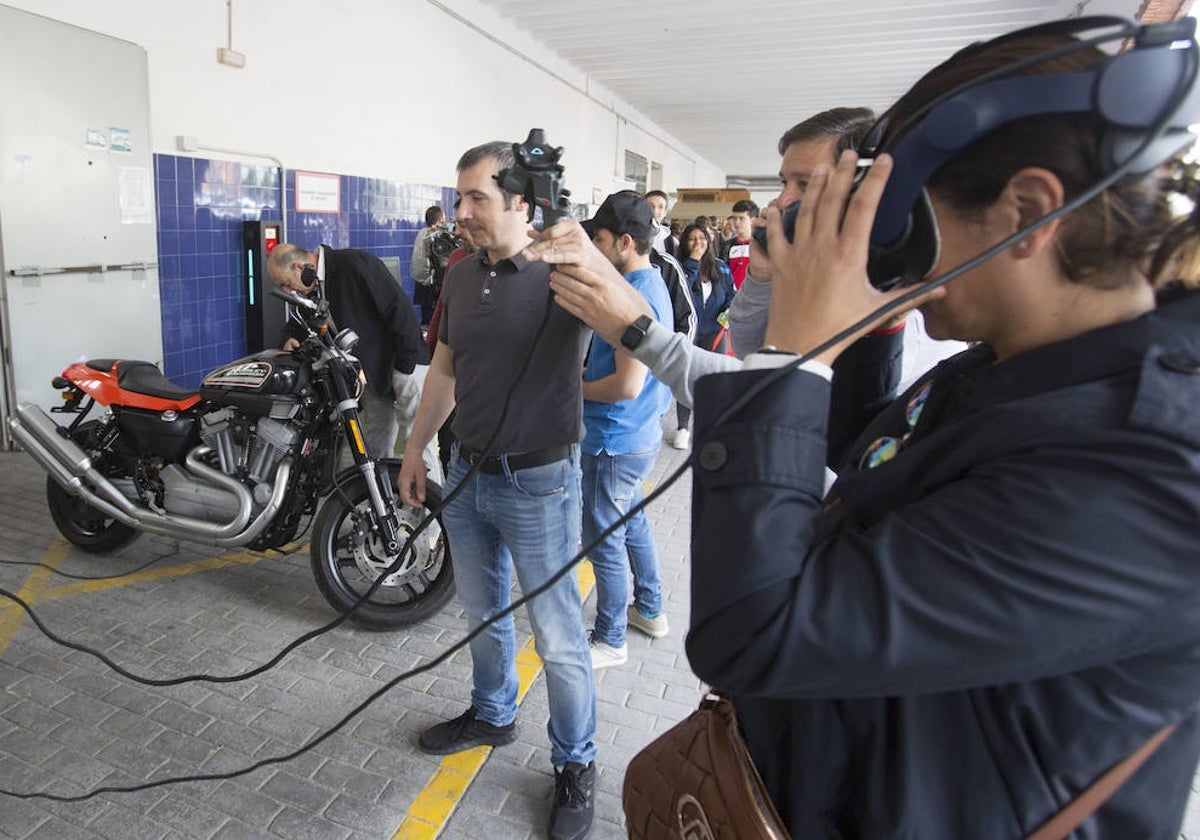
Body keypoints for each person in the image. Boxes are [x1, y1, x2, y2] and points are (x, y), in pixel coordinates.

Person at [685, 19, 1200, 838]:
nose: (903, 260)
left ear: (1028, 212)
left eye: (910, 226)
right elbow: (859, 473)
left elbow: (754, 631)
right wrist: (845, 335)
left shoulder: (1151, 469)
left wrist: (793, 351)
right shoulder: (1012, 372)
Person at [396, 141, 597, 840]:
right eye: (459, 198)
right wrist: (416, 448)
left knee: (558, 634)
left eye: (477, 197)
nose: (462, 212)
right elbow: (445, 372)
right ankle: (493, 713)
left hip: (540, 481)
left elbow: (637, 338)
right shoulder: (456, 276)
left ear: (522, 200)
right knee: (482, 613)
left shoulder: (565, 272)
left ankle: (576, 763)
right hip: (469, 475)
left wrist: (590, 255)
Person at [578, 193, 675, 669]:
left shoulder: (632, 297)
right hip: (637, 438)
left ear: (624, 241)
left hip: (613, 439)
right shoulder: (648, 283)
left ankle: (610, 637)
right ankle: (650, 609)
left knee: (602, 536)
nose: (593, 248)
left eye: (597, 239)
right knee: (629, 519)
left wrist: (574, 390)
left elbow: (625, 385)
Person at [267, 242, 432, 468]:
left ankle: (429, 502)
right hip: (372, 373)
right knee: (375, 445)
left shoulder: (353, 265)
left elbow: (399, 309)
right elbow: (298, 321)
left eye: (286, 283)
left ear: (299, 267)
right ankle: (381, 498)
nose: (288, 291)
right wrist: (288, 339)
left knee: (418, 446)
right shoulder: (313, 287)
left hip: (406, 364)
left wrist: (406, 365)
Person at [671, 223, 734, 449]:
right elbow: (680, 291)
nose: (698, 243)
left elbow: (730, 296)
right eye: (692, 239)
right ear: (684, 243)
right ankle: (683, 427)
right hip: (689, 333)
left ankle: (710, 425)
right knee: (686, 378)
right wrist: (691, 264)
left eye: (702, 238)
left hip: (715, 333)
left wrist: (726, 315)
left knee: (714, 379)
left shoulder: (720, 267)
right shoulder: (680, 268)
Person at [409, 205, 445, 325]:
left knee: (425, 318)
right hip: (431, 283)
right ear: (440, 220)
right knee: (434, 320)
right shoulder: (436, 235)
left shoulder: (421, 233)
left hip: (420, 281)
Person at [720, 198, 758, 289]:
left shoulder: (761, 245)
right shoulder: (727, 246)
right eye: (735, 218)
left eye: (741, 218)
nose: (737, 222)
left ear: (752, 220)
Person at [644, 189, 673, 256]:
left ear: (665, 212)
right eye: (651, 206)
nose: (655, 211)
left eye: (661, 207)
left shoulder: (671, 242)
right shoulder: (633, 236)